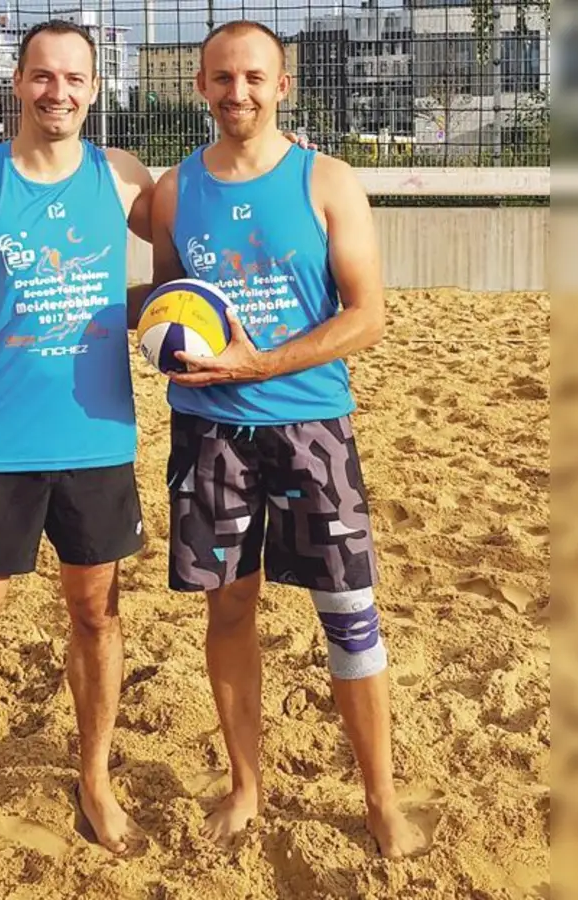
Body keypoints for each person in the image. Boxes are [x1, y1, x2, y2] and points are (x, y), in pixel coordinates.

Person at [144, 20, 422, 857]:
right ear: (200, 87)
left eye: (254, 77)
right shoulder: (173, 191)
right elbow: (169, 308)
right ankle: (246, 786)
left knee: (348, 612)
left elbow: (367, 316)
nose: (239, 93)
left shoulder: (328, 180)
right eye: (222, 78)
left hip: (311, 427)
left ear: (283, 84)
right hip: (210, 433)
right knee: (230, 608)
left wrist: (259, 364)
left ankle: (379, 798)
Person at [0, 20, 155, 894]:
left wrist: (153, 315)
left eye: (76, 79)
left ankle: (93, 780)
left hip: (96, 441)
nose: (60, 92)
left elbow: (178, 279)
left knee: (96, 617)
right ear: (18, 83)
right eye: (44, 77)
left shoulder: (124, 178)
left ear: (96, 88)